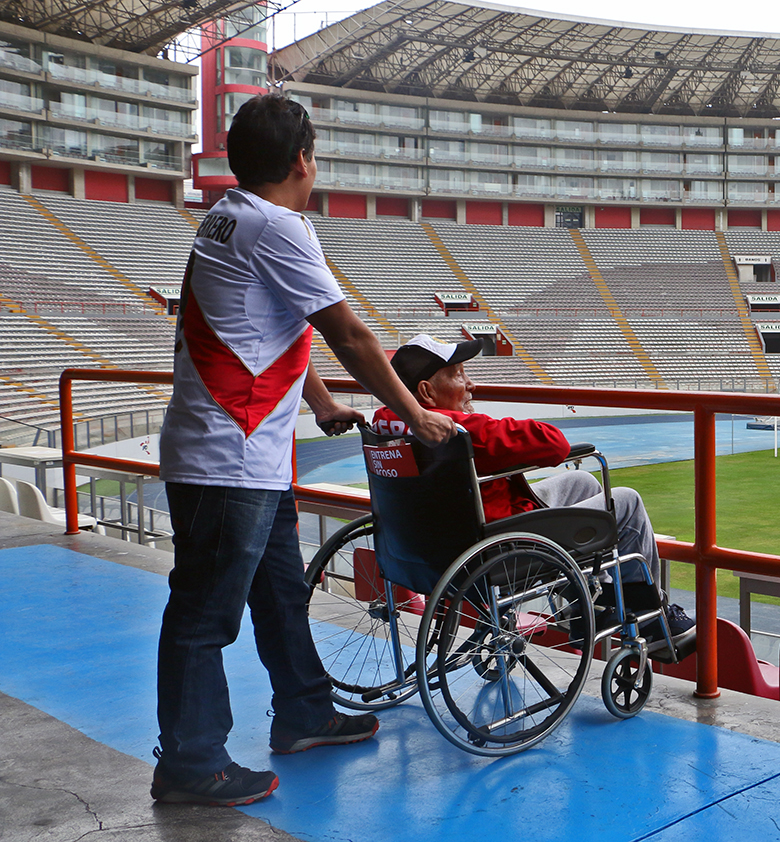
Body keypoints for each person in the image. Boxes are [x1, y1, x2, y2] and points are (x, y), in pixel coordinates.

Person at [153, 94, 455, 807]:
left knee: (282, 590)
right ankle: (192, 763)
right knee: (203, 611)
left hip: (240, 454)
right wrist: (414, 415)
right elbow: (349, 335)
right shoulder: (279, 226)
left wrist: (320, 403)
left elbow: (273, 323)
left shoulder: (227, 218)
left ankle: (305, 711)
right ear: (301, 160)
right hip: (230, 458)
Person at [369, 334, 694, 641]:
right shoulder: (460, 430)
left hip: (422, 543)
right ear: (426, 392)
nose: (471, 384)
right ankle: (652, 615)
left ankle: (588, 604)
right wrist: (481, 421)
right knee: (627, 501)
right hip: (492, 542)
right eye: (458, 374)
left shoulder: (383, 421)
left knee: (581, 482)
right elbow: (554, 444)